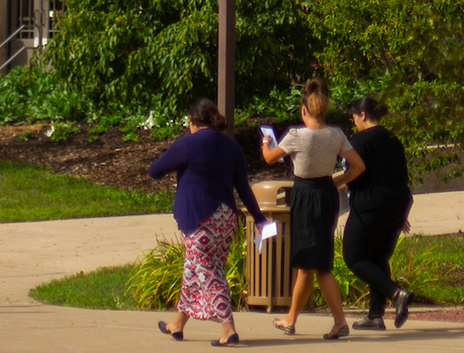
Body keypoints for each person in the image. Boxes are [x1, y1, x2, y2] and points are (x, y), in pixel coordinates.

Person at [147, 99, 269, 347]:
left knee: (208, 272)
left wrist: (179, 165)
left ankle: (228, 329)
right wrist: (259, 219)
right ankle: (177, 325)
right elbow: (243, 187)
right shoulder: (231, 147)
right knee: (193, 270)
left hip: (200, 218)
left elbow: (155, 171)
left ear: (193, 121)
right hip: (225, 220)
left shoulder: (186, 145)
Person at [260, 79, 366, 339]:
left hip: (305, 196)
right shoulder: (337, 135)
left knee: (314, 263)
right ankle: (292, 319)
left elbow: (269, 158)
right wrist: (338, 181)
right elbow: (358, 166)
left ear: (304, 110)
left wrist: (265, 141)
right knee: (312, 262)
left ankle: (336, 321)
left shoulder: (297, 135)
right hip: (326, 195)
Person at [341, 96, 413, 330]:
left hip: (370, 205)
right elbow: (401, 176)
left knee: (354, 256)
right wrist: (400, 213)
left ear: (363, 115)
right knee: (378, 257)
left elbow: (355, 172)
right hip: (398, 204)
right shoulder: (394, 139)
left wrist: (338, 182)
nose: (354, 124)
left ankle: (396, 293)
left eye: (354, 118)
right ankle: (375, 315)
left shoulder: (360, 141)